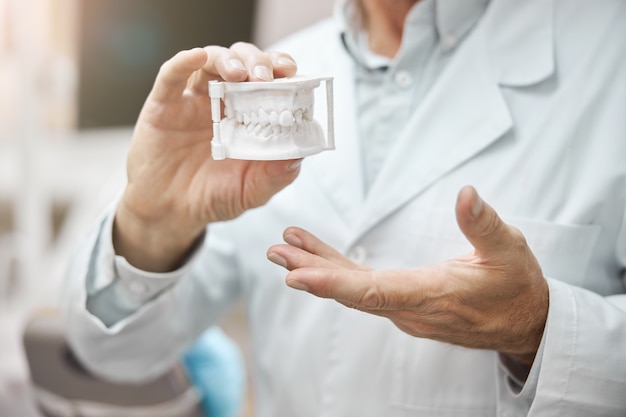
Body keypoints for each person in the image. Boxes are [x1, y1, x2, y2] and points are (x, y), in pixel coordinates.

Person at [61, 0, 626, 415]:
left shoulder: (608, 53)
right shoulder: (261, 88)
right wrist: (152, 224)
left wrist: (540, 328)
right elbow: (115, 351)